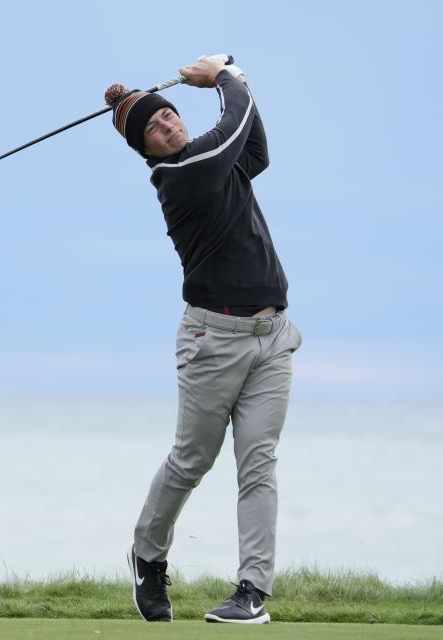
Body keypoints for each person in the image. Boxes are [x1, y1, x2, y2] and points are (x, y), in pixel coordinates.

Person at [104, 56, 301, 624]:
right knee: (193, 459)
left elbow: (253, 145)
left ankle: (251, 592)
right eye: (153, 129)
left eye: (168, 115)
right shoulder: (180, 177)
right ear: (148, 151)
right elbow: (231, 128)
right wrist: (226, 78)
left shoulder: (217, 161)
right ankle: (147, 553)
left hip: (273, 337)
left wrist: (237, 82)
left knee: (258, 464)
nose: (167, 125)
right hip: (212, 340)